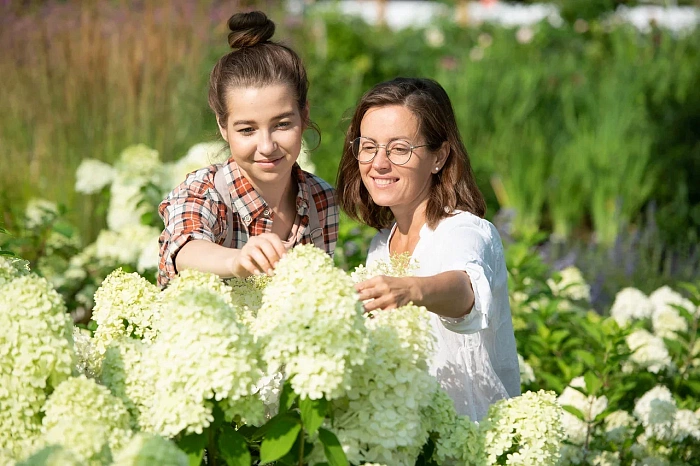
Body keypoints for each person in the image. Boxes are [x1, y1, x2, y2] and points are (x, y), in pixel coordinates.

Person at [336, 77, 520, 421]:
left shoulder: (463, 230)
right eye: (368, 146)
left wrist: (413, 289)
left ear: (439, 156)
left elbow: (466, 292)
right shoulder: (381, 246)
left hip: (473, 441)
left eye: (400, 148)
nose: (378, 163)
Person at [158, 11, 338, 288]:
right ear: (223, 127)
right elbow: (185, 248)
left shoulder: (322, 200)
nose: (266, 147)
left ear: (304, 116)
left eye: (282, 124)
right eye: (247, 130)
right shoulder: (203, 192)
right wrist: (237, 261)